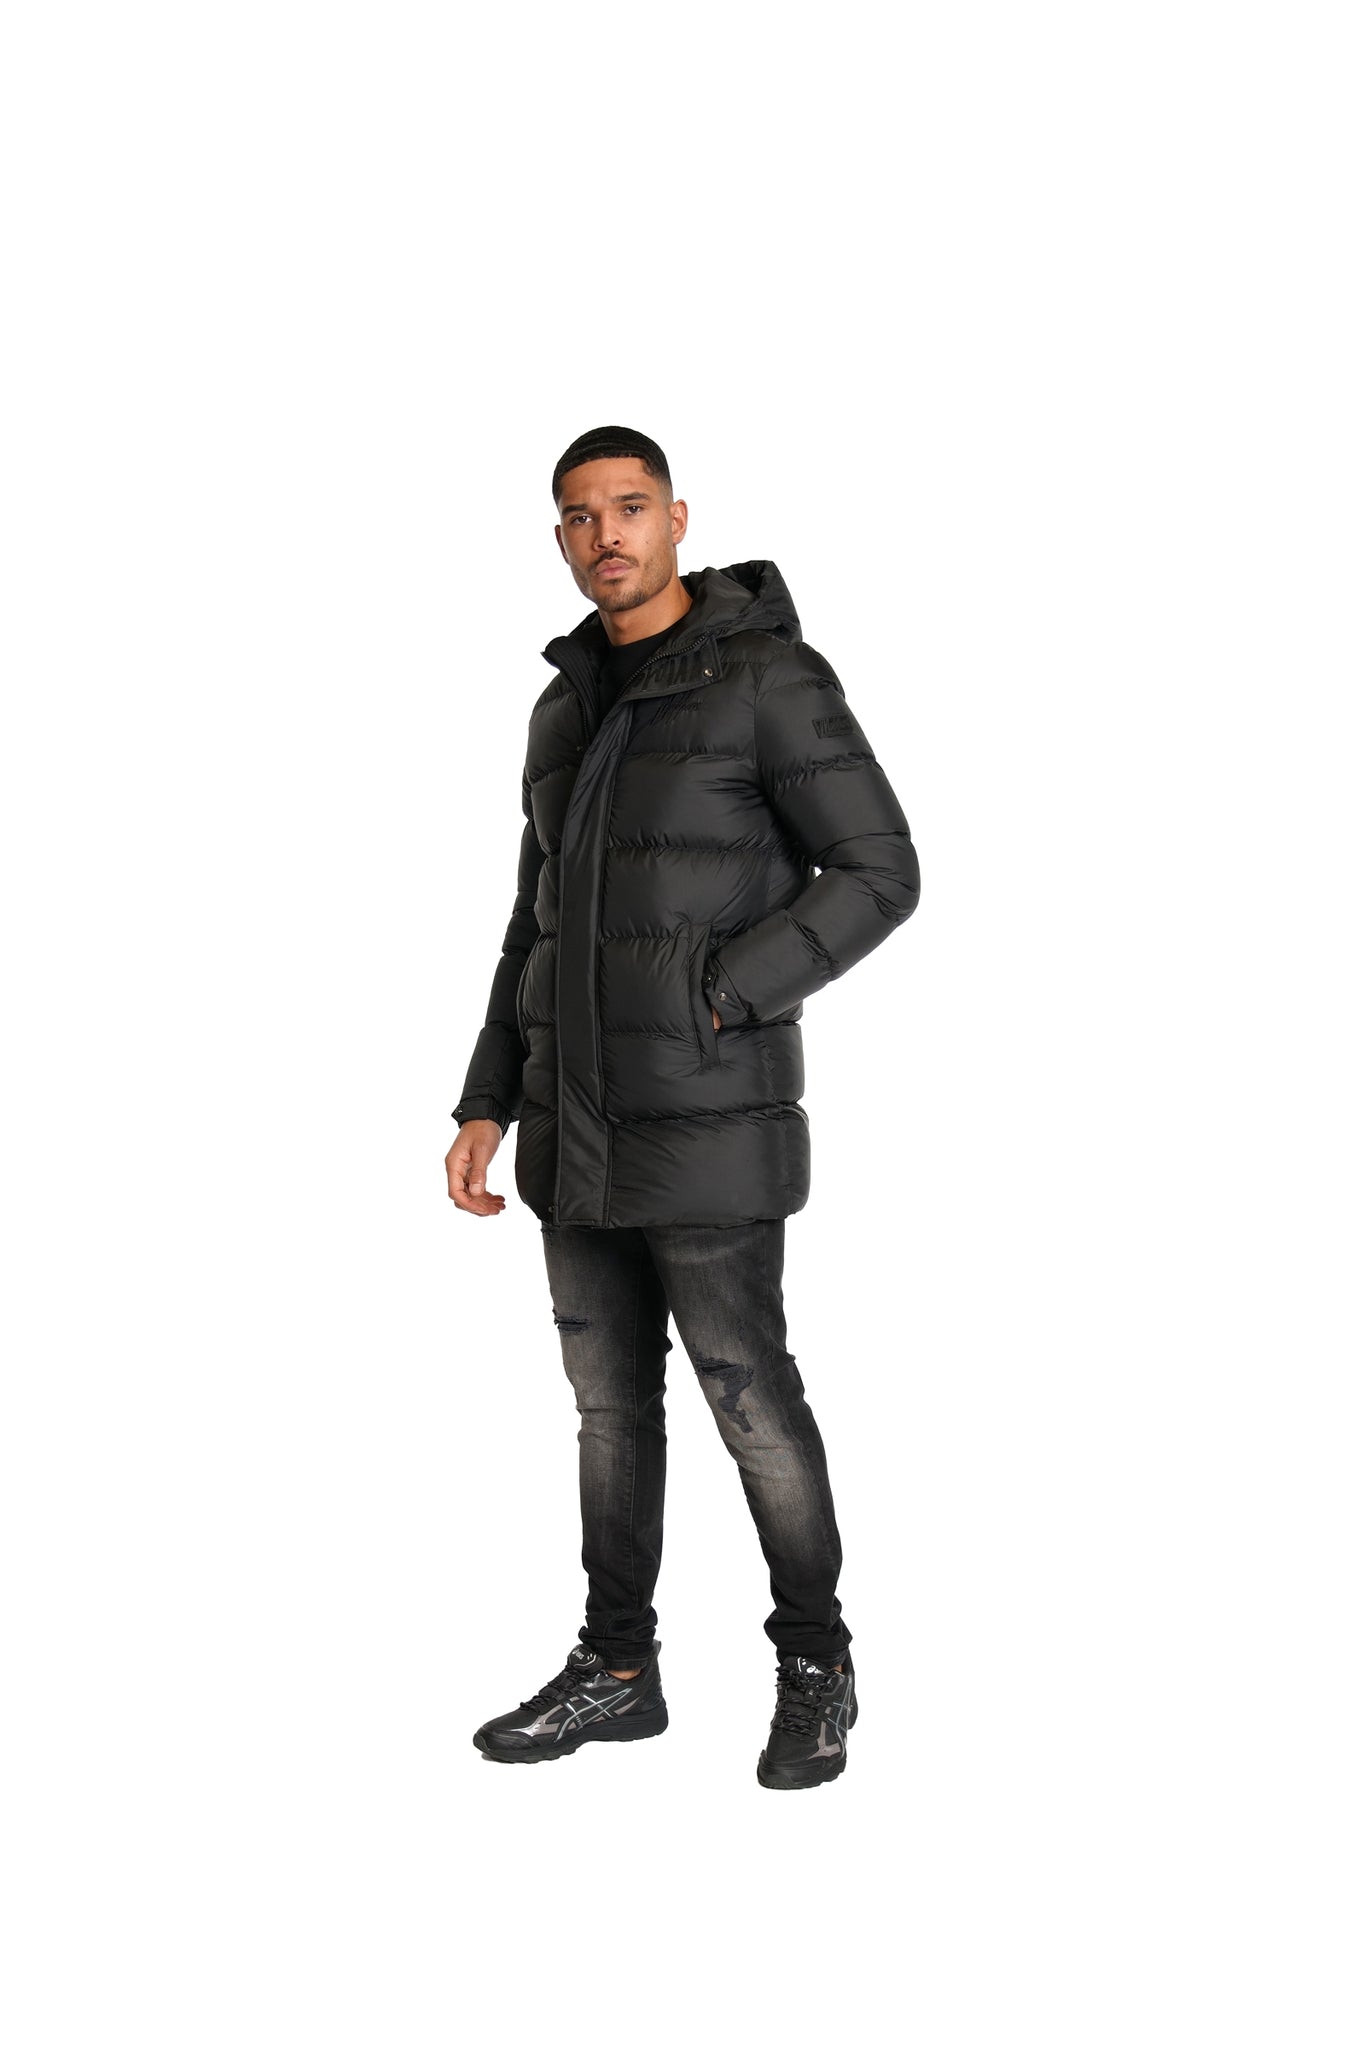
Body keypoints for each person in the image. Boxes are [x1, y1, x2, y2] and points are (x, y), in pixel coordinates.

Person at [447, 426, 921, 1788]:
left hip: (710, 1122)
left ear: (677, 519)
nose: (606, 534)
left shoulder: (766, 677)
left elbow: (879, 870)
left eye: (630, 506)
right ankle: (617, 1671)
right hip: (573, 1129)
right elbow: (534, 924)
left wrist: (724, 991)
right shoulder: (561, 710)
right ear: (560, 538)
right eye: (579, 515)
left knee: (748, 1398)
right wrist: (487, 1098)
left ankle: (815, 1666)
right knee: (608, 1414)